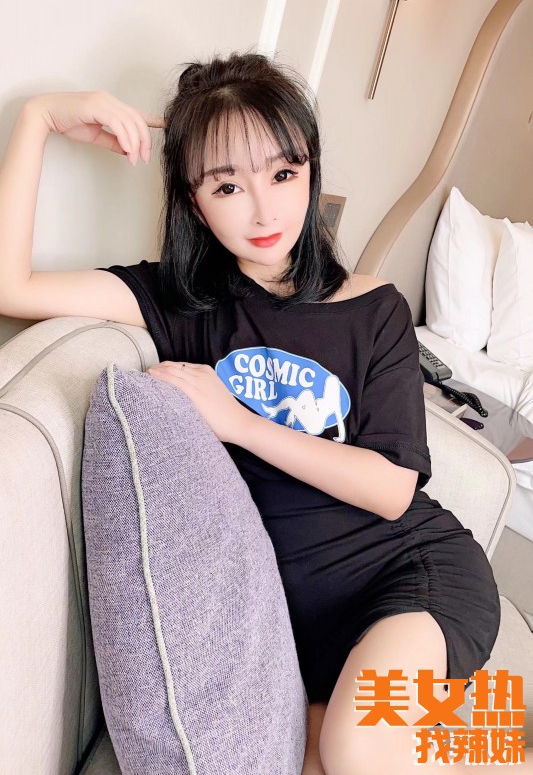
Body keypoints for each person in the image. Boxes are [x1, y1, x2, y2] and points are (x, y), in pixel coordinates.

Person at [0, 51, 529, 775]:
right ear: (194, 202)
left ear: (310, 170)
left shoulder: (372, 308)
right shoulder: (181, 305)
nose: (263, 210)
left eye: (283, 173)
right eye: (227, 185)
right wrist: (39, 119)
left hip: (410, 577)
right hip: (305, 631)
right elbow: (12, 287)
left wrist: (238, 421)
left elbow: (390, 487)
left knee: (356, 748)